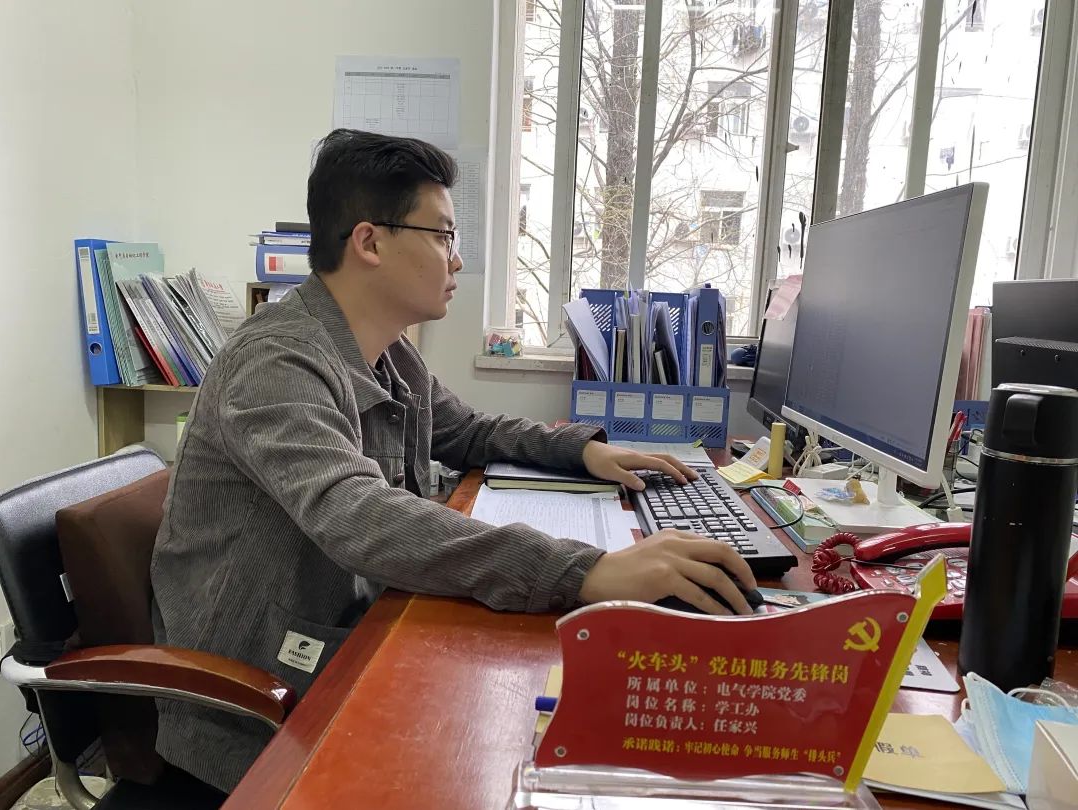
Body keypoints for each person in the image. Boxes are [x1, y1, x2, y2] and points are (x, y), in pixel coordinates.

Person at [150, 129, 756, 793]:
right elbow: (358, 515)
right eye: (442, 235)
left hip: (345, 641)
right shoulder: (276, 363)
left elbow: (467, 430)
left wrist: (583, 449)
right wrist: (587, 570)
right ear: (369, 242)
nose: (457, 259)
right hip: (256, 707)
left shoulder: (387, 351)